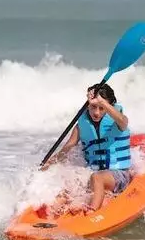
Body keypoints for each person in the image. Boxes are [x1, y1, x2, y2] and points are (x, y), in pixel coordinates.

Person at [42, 83, 132, 213]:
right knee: (71, 182)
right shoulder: (82, 125)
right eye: (93, 107)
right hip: (92, 173)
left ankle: (91, 212)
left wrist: (101, 101)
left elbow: (124, 121)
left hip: (119, 175)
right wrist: (47, 165)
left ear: (109, 106)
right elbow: (67, 148)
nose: (96, 112)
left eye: (101, 108)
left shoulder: (118, 121)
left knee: (97, 178)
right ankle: (50, 213)